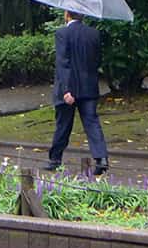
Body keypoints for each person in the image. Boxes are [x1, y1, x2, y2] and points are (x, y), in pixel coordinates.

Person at [45, 9, 109, 175]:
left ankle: (55, 160)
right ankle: (101, 158)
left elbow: (63, 63)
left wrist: (67, 89)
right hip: (89, 86)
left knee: (63, 124)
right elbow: (96, 60)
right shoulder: (93, 34)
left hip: (68, 88)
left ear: (67, 14)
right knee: (92, 122)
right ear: (83, 16)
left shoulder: (62, 33)